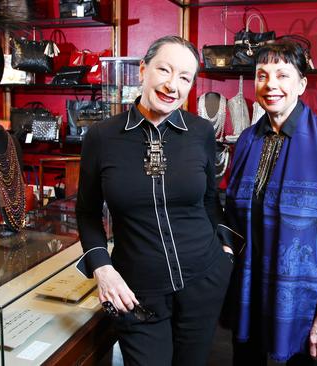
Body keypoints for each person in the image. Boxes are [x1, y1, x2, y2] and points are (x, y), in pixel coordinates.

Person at [75, 35, 233, 366]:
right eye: (164, 69)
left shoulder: (202, 131)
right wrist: (102, 268)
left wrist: (225, 252)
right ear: (143, 70)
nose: (172, 85)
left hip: (204, 281)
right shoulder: (102, 137)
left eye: (185, 77)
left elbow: (209, 199)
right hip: (137, 291)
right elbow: (87, 212)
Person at [222, 41, 317, 365]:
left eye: (283, 75)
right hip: (249, 293)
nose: (271, 85)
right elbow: (232, 217)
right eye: (262, 75)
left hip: (304, 300)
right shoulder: (246, 141)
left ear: (301, 83)